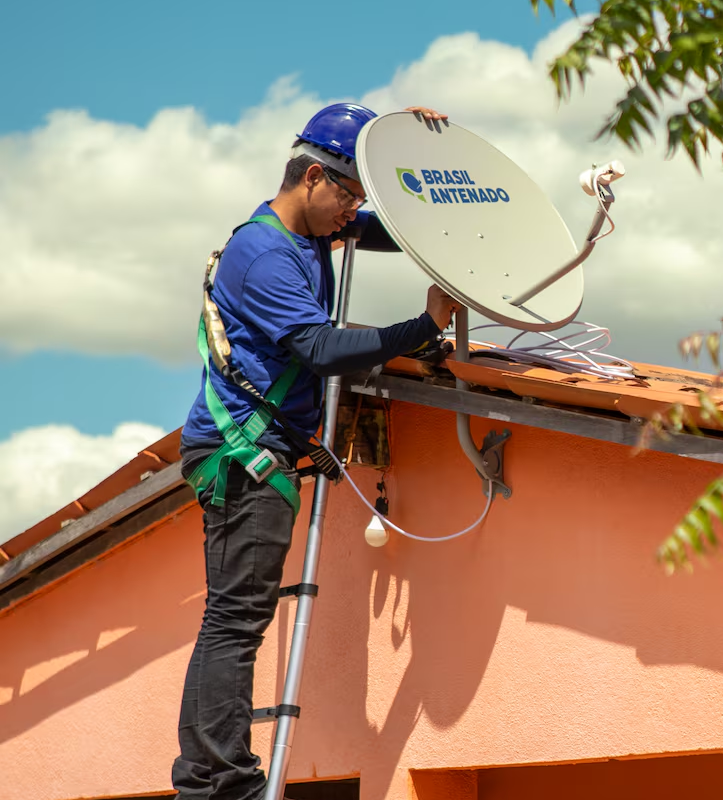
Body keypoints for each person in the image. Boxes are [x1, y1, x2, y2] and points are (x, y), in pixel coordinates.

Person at [172, 102, 457, 800]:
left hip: (258, 449)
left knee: (232, 618)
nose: (352, 214)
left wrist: (409, 148)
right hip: (244, 454)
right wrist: (422, 325)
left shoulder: (311, 231)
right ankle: (224, 783)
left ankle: (205, 783)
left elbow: (395, 228)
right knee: (235, 620)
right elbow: (320, 350)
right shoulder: (264, 253)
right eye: (348, 196)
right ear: (310, 178)